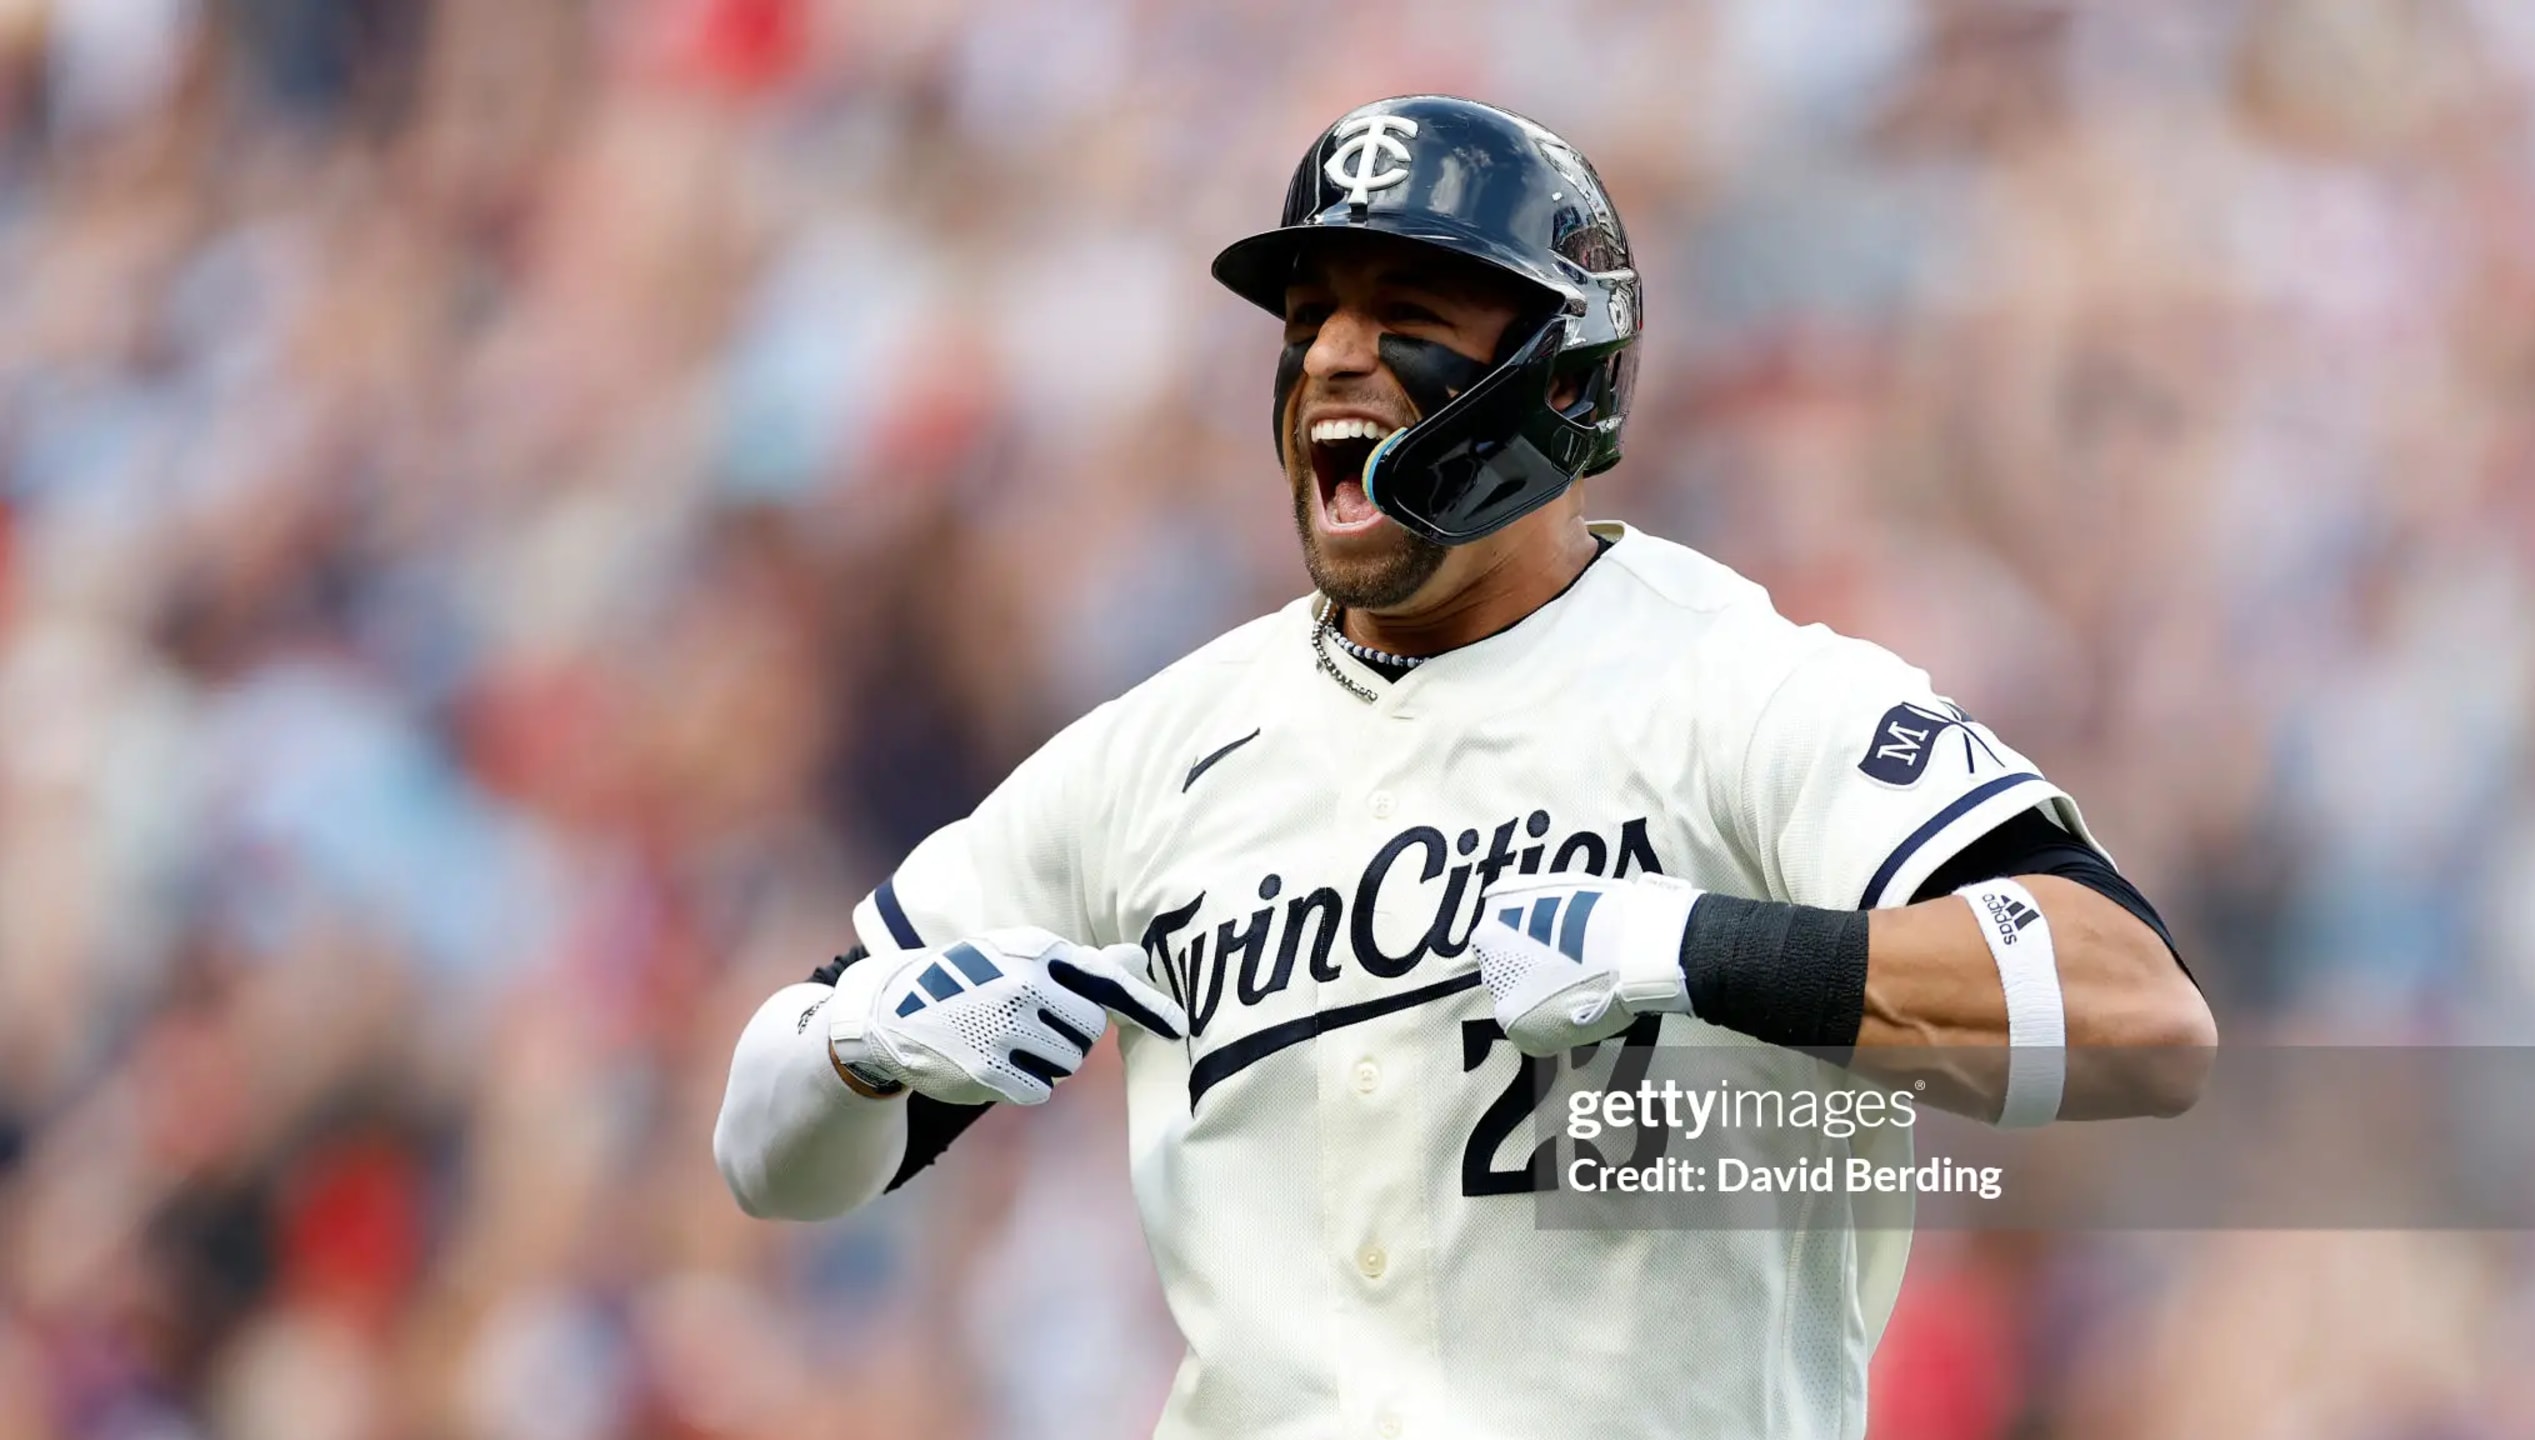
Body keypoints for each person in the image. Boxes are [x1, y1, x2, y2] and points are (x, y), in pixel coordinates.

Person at [712, 94, 2214, 1439]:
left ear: (1560, 373)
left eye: (1408, 305)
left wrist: (1701, 946)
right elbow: (772, 1163)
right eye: (1311, 315)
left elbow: (2140, 1015)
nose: (1334, 356)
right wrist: (860, 1053)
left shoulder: (1743, 691)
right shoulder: (1152, 755)